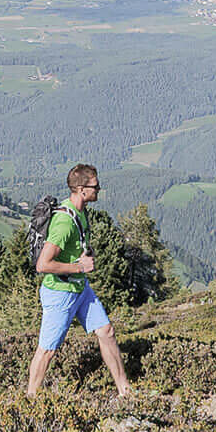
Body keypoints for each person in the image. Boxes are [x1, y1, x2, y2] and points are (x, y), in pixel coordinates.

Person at [25, 164, 132, 399]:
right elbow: (43, 265)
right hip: (60, 292)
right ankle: (29, 401)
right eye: (95, 186)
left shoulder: (80, 211)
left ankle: (126, 391)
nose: (99, 189)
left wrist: (82, 262)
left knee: (106, 331)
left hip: (79, 288)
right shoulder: (64, 223)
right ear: (82, 189)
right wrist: (79, 266)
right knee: (47, 351)